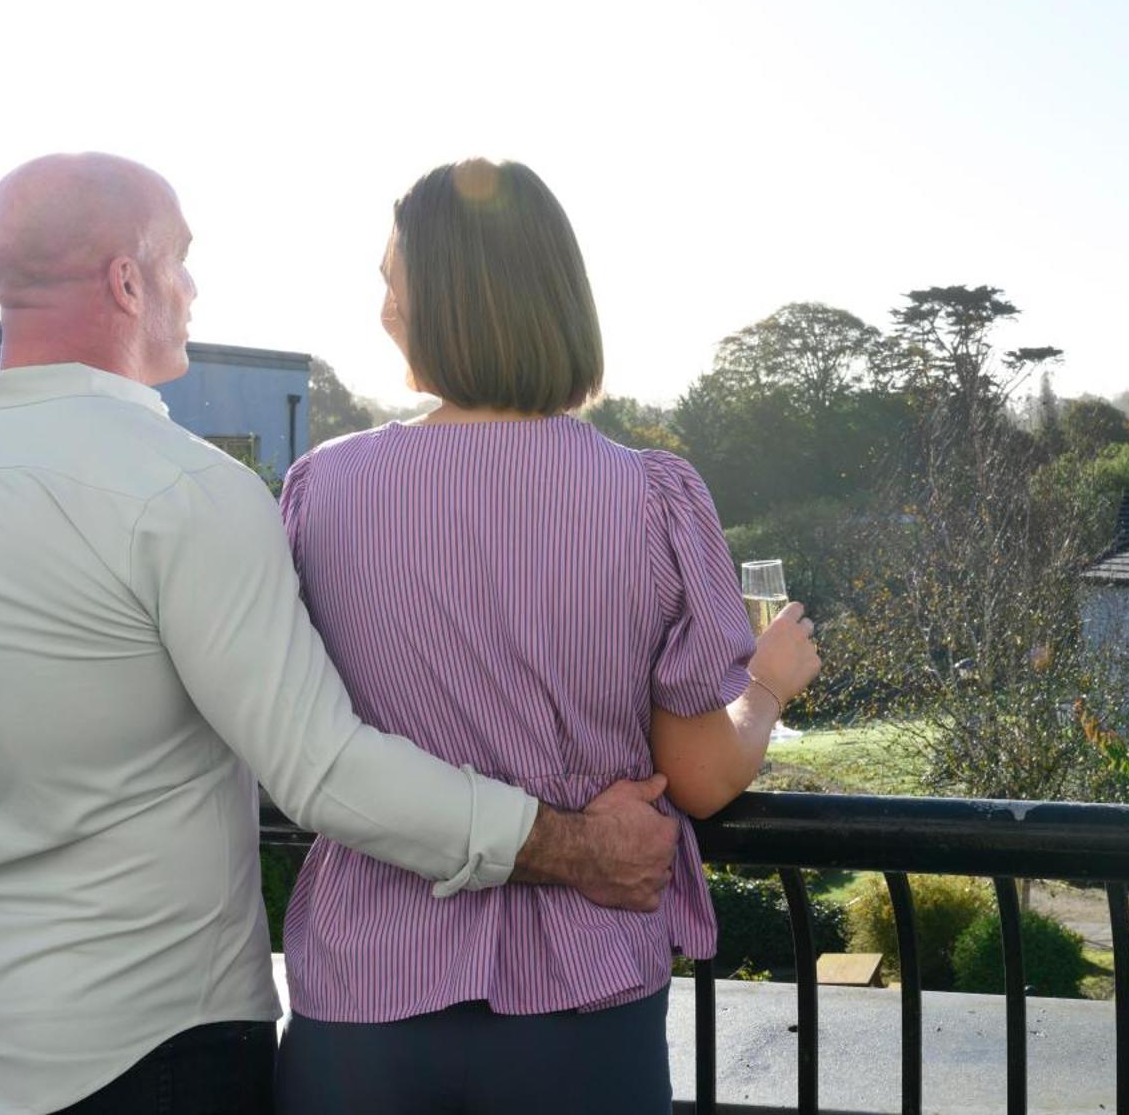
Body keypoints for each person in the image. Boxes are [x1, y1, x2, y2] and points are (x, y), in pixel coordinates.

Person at [0, 152, 745, 1115]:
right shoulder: (182, 491)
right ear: (126, 280)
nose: (193, 287)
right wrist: (580, 845)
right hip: (166, 1039)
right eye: (181, 260)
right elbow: (319, 768)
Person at [272, 159, 822, 1113]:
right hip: (579, 997)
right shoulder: (648, 496)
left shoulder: (323, 491)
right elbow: (695, 775)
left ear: (443, 300)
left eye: (392, 279)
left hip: (363, 994)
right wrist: (767, 687)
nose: (383, 308)